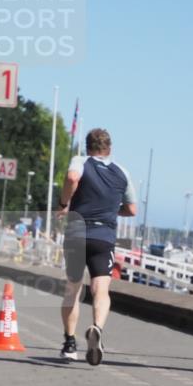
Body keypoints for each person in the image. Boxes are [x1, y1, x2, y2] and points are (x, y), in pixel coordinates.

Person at [58, 128, 137, 365]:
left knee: (73, 288)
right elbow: (132, 209)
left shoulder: (81, 161)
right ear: (109, 149)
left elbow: (72, 178)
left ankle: (70, 343)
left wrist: (63, 203)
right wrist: (113, 211)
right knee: (100, 290)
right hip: (104, 236)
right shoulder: (122, 172)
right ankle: (97, 328)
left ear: (87, 147)